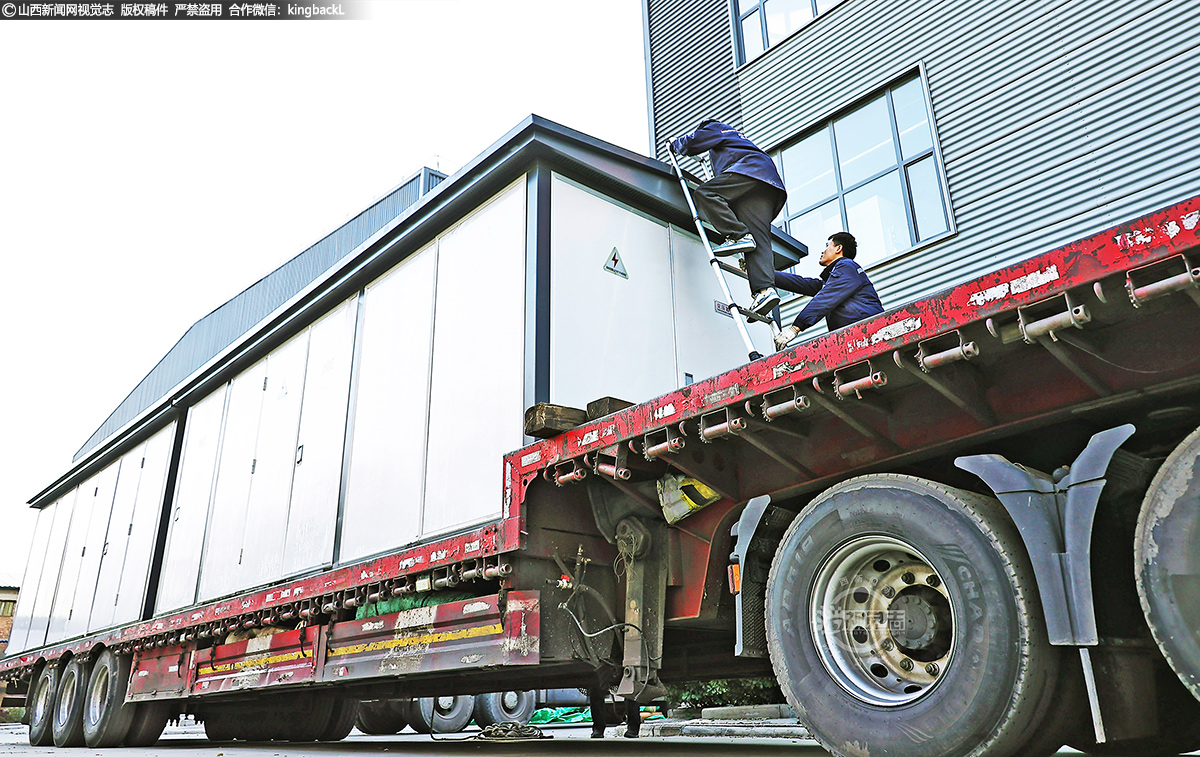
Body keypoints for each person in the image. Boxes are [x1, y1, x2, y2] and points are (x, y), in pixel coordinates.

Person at [670, 119, 788, 317]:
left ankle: (738, 234)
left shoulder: (715, 128)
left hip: (749, 171)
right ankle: (765, 291)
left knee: (705, 193)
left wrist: (676, 144)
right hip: (768, 185)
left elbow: (693, 142)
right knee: (758, 240)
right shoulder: (737, 141)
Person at [773, 231, 883, 350]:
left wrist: (796, 327)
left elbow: (825, 298)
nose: (823, 251)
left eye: (827, 246)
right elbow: (801, 283)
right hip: (857, 337)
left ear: (838, 248)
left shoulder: (846, 267)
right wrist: (765, 275)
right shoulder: (838, 277)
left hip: (869, 331)